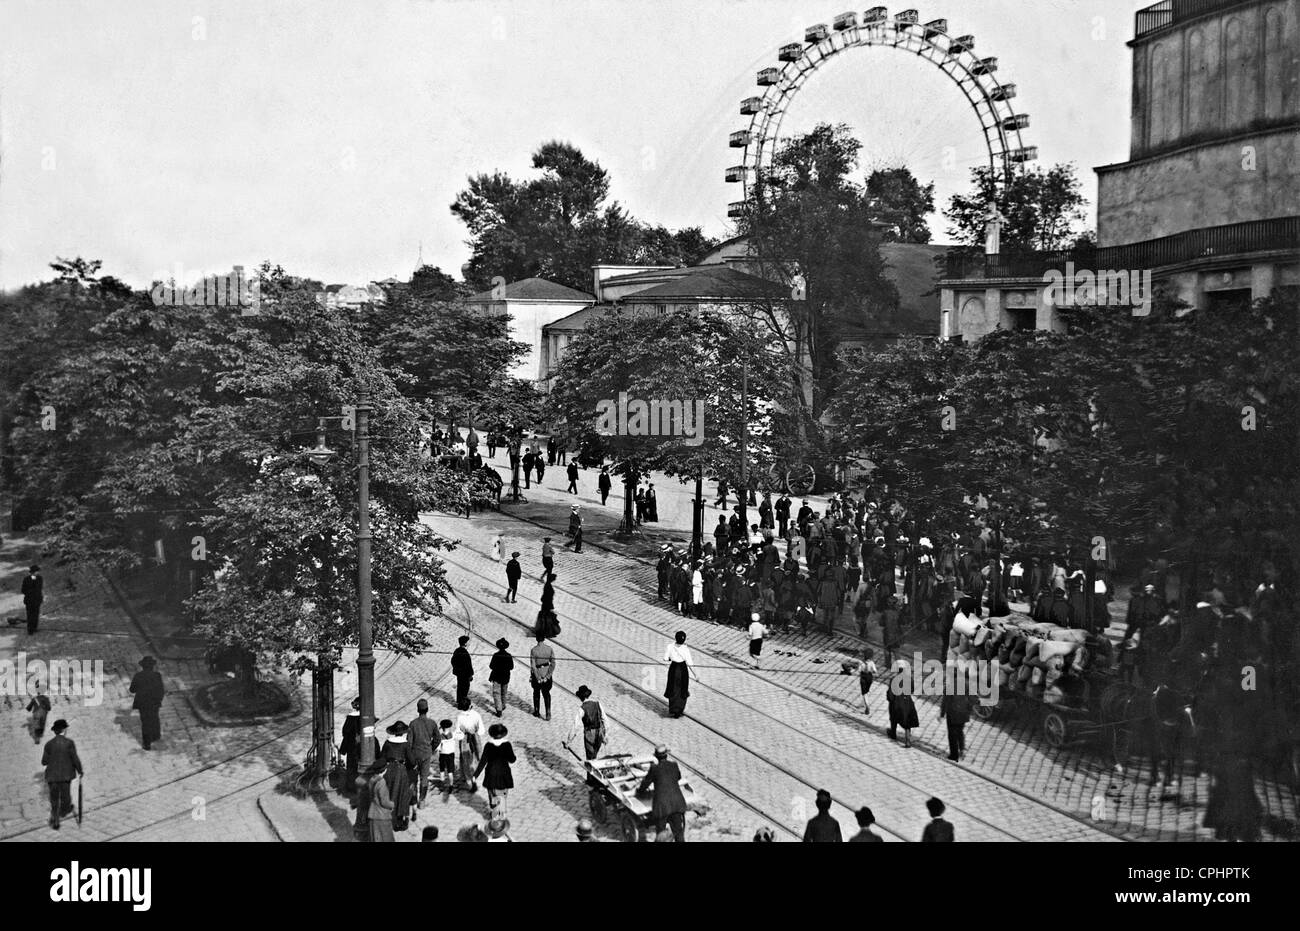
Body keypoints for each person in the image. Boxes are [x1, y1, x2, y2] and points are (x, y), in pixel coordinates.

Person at [638, 745, 688, 842]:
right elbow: (678, 777)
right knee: (678, 832)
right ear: (667, 755)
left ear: (656, 757)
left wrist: (640, 791)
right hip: (677, 804)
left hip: (662, 807)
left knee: (661, 834)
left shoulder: (654, 768)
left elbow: (645, 783)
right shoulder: (674, 765)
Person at [42, 719, 82, 830]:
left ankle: (55, 821)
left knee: (54, 800)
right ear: (64, 730)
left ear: (55, 731)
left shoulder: (48, 744)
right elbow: (75, 758)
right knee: (65, 796)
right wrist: (80, 770)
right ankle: (65, 811)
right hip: (65, 776)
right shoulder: (69, 743)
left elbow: (44, 761)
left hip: (52, 776)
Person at [475, 723, 517, 819]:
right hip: (503, 774)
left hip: (491, 774)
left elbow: (483, 761)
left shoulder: (488, 745)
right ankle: (501, 816)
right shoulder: (507, 745)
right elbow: (512, 759)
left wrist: (475, 775)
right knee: (502, 796)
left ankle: (494, 814)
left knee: (492, 795)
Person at [380, 721, 417, 831]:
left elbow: (382, 756)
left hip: (389, 769)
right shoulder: (405, 744)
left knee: (390, 792)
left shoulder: (388, 743)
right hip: (401, 770)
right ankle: (399, 821)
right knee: (402, 795)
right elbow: (412, 761)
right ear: (403, 733)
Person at [567, 685, 607, 786]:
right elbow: (605, 720)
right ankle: (594, 778)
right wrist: (605, 735)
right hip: (599, 733)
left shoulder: (582, 708)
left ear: (581, 697)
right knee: (594, 756)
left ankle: (591, 780)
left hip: (589, 734)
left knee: (590, 758)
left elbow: (576, 725)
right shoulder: (598, 704)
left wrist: (569, 741)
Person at [129, 655, 165, 750]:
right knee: (155, 718)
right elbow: (161, 690)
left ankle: (147, 743)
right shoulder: (157, 675)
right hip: (154, 702)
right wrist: (159, 700)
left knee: (145, 722)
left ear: (143, 666)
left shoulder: (138, 676)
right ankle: (156, 736)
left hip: (142, 703)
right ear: (152, 666)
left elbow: (132, 690)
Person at [409, 698, 437, 804]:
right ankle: (422, 800)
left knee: (414, 778)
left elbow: (409, 742)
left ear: (418, 710)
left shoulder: (412, 724)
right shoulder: (432, 723)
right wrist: (431, 748)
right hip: (426, 754)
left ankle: (414, 798)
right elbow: (437, 739)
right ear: (427, 709)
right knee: (424, 777)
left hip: (415, 754)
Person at [886, 659, 919, 747]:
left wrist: (890, 700)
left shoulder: (893, 679)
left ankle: (893, 733)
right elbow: (912, 690)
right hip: (907, 702)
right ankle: (907, 740)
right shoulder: (909, 679)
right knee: (907, 721)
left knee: (893, 717)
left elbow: (890, 693)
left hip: (897, 702)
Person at [663, 631, 696, 718]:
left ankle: (673, 708)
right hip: (683, 669)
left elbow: (665, 658)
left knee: (673, 688)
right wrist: (696, 675)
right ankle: (679, 709)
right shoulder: (685, 649)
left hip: (673, 668)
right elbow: (690, 663)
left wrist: (672, 658)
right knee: (682, 689)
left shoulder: (670, 646)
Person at [456, 698, 486, 792]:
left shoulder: (460, 717)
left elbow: (458, 732)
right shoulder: (476, 715)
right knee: (476, 755)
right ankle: (475, 775)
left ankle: (468, 778)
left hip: (465, 739)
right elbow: (482, 731)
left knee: (465, 758)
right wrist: (475, 731)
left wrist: (462, 733)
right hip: (475, 738)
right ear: (470, 705)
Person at [939, 684, 971, 762]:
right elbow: (973, 699)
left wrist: (942, 714)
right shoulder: (968, 684)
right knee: (960, 731)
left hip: (953, 713)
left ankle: (954, 755)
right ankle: (962, 749)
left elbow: (945, 701)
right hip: (963, 713)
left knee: (952, 734)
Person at [366, 761, 396, 842]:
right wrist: (392, 805)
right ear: (384, 770)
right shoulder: (382, 782)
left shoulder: (372, 779)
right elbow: (384, 802)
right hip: (382, 816)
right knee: (386, 839)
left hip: (372, 813)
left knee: (375, 838)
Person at [529, 631, 556, 719]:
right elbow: (553, 663)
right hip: (546, 672)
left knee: (536, 692)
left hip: (537, 674)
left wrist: (537, 676)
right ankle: (548, 712)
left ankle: (536, 711)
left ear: (536, 639)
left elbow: (533, 666)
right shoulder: (549, 649)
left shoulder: (534, 650)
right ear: (544, 639)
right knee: (546, 693)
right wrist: (548, 675)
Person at [489, 638, 514, 717]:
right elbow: (511, 667)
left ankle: (499, 709)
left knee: (496, 693)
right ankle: (503, 705)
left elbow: (491, 666)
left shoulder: (495, 655)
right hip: (506, 677)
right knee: (504, 692)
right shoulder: (509, 655)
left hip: (496, 676)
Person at [436, 719, 459, 792]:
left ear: (442, 728)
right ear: (449, 727)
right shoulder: (453, 734)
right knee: (450, 771)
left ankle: (442, 785)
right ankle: (451, 785)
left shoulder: (440, 737)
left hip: (443, 754)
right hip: (451, 754)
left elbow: (438, 748)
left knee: (442, 770)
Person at [451, 635, 474, 707]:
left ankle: (459, 702)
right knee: (465, 688)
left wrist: (457, 669)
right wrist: (470, 675)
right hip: (465, 674)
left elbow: (453, 661)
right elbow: (468, 665)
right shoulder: (465, 652)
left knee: (460, 687)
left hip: (459, 674)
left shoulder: (457, 651)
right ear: (465, 643)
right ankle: (463, 704)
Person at [22, 564, 43, 634]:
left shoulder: (40, 578)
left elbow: (39, 588)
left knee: (36, 614)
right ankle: (30, 630)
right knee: (30, 615)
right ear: (32, 572)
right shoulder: (26, 579)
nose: (38, 573)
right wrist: (29, 592)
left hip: (37, 600)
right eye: (36, 571)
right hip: (29, 600)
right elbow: (23, 590)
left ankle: (34, 628)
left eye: (38, 571)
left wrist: (40, 597)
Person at [858, 648, 878, 715]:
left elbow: (859, 670)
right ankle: (863, 703)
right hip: (869, 677)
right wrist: (871, 670)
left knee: (864, 692)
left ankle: (867, 706)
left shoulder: (861, 662)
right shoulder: (872, 663)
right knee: (867, 691)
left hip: (863, 677)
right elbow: (875, 671)